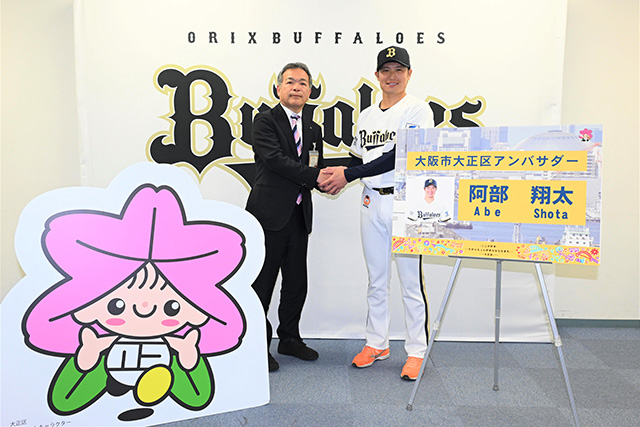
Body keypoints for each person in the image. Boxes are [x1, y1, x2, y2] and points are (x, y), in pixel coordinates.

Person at [320, 46, 432, 381]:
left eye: (399, 70)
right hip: (371, 201)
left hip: (404, 201)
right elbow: (359, 158)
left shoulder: (417, 109)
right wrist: (333, 174)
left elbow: (399, 155)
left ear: (409, 74)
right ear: (377, 75)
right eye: (386, 70)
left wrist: (348, 175)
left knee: (411, 283)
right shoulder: (368, 114)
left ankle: (417, 350)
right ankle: (377, 343)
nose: (392, 76)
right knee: (377, 279)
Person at [246, 62, 324, 372]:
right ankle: (257, 344)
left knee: (296, 282)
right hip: (269, 215)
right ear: (278, 88)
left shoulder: (313, 129)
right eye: (290, 82)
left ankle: (289, 338)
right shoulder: (264, 121)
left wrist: (325, 178)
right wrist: (316, 177)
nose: (296, 87)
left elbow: (315, 166)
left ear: (310, 91)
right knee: (262, 284)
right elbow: (275, 160)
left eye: (303, 83)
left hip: (299, 215)